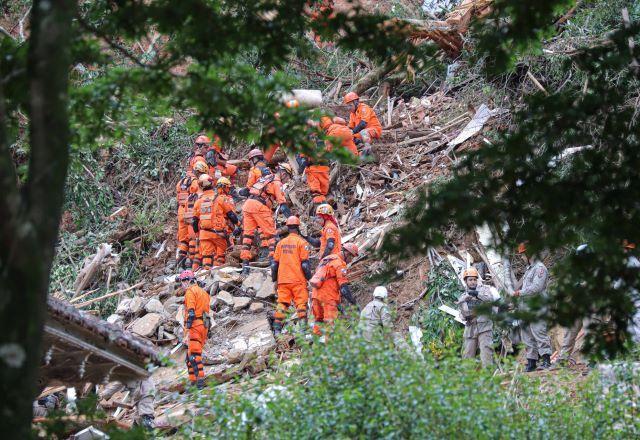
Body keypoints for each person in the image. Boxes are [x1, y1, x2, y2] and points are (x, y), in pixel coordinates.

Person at [239, 163, 292, 273]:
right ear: (283, 172)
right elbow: (282, 203)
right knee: (272, 235)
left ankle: (245, 267)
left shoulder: (265, 179)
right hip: (259, 206)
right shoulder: (276, 182)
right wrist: (291, 219)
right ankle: (273, 264)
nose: (287, 180)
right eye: (287, 176)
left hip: (248, 204)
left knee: (247, 237)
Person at [271, 216, 313, 335]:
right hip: (297, 279)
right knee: (301, 304)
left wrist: (275, 280)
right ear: (298, 228)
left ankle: (277, 329)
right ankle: (304, 330)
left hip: (283, 280)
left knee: (282, 303)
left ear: (288, 228)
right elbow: (305, 266)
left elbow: (274, 265)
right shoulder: (301, 242)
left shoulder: (280, 243)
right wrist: (310, 279)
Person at [513, 244, 552, 371]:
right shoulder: (529, 269)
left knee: (539, 331)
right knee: (527, 335)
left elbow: (537, 287)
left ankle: (546, 360)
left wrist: (520, 293)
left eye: (523, 254)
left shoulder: (540, 268)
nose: (522, 257)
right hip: (525, 307)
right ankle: (531, 362)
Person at [310, 242, 359, 336]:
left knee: (318, 321)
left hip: (315, 295)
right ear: (347, 253)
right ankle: (328, 347)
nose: (350, 260)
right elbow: (343, 288)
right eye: (351, 257)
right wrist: (353, 303)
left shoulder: (327, 258)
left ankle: (317, 346)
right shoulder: (340, 264)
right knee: (330, 325)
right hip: (328, 298)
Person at [192, 176, 240, 270]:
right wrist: (239, 224)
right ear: (212, 184)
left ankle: (206, 276)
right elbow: (231, 214)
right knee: (225, 252)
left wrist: (198, 235)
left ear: (201, 186)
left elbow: (194, 221)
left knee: (207, 257)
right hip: (219, 233)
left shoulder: (198, 202)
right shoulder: (220, 199)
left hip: (204, 234)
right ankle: (221, 272)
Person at [179, 270, 211, 389]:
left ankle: (200, 384)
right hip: (204, 325)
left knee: (194, 356)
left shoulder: (190, 291)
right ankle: (192, 383)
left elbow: (191, 313)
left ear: (187, 281)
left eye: (182, 281)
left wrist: (187, 331)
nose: (182, 284)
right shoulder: (203, 292)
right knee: (189, 358)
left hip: (195, 326)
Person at [457, 267, 495, 367]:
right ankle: (468, 379)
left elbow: (490, 299)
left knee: (486, 353)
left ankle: (489, 377)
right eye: (470, 280)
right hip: (470, 328)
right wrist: (465, 315)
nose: (473, 282)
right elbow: (461, 312)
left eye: (474, 279)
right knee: (467, 354)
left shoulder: (484, 290)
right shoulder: (463, 296)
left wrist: (477, 294)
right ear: (465, 281)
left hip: (484, 326)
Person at [175, 174, 193, 268]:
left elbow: (177, 199)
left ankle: (180, 265)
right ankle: (195, 264)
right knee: (193, 237)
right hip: (189, 211)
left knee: (183, 241)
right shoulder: (193, 182)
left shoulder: (180, 183)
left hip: (180, 211)